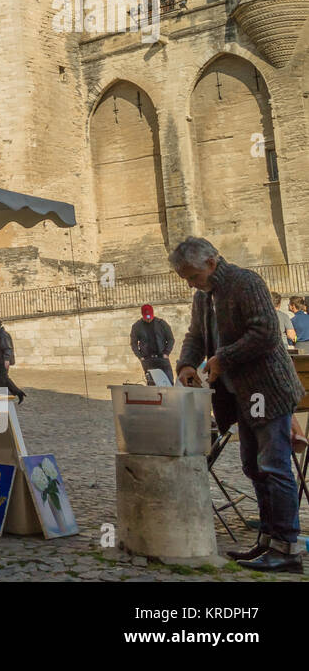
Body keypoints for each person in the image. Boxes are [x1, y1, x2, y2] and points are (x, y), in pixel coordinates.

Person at [172, 236, 304, 573]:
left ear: (211, 264)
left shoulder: (246, 282)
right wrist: (186, 364)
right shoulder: (204, 296)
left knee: (273, 466)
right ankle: (267, 540)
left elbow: (265, 334)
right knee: (254, 467)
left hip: (265, 391)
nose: (190, 283)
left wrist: (222, 358)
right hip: (240, 396)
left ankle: (287, 547)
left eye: (193, 276)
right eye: (185, 278)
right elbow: (196, 337)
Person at [130, 304, 175, 384]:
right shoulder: (136, 326)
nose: (148, 319)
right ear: (142, 315)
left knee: (169, 383)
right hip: (147, 360)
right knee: (152, 385)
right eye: (146, 317)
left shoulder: (162, 324)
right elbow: (133, 343)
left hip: (162, 358)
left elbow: (171, 339)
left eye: (150, 316)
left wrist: (166, 353)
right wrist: (140, 357)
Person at [0, 319, 25, 404]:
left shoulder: (3, 335)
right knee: (0, 379)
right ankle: (1, 395)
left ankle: (18, 392)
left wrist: (6, 359)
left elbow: (7, 348)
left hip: (3, 360)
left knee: (4, 378)